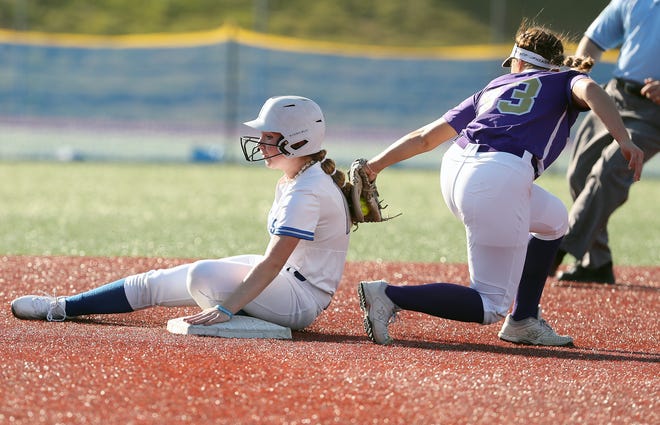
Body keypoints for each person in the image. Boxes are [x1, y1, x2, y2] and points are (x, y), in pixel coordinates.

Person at [356, 22, 644, 346]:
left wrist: (375, 165)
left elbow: (424, 139)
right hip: (498, 176)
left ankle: (523, 319)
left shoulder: (495, 86)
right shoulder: (565, 78)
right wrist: (624, 139)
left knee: (555, 220)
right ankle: (388, 295)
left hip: (456, 168)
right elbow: (591, 90)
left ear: (518, 62)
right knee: (490, 304)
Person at [11, 95, 353, 330]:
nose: (260, 144)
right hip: (287, 282)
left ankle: (241, 317)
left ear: (297, 140)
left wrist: (226, 308)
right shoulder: (300, 176)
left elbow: (274, 262)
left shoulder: (307, 189)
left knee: (202, 276)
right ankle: (62, 307)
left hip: (301, 299)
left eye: (268, 136)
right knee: (159, 280)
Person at [552, 0, 660, 284]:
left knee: (610, 169)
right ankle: (597, 263)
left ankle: (558, 247)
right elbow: (593, 40)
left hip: (654, 113)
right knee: (579, 172)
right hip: (615, 96)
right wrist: (576, 77)